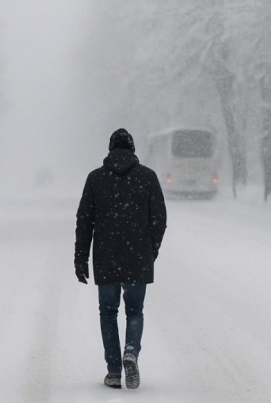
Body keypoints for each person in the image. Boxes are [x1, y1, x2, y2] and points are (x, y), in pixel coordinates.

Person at [74, 128, 167, 390]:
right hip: (138, 255)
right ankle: (131, 351)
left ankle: (114, 371)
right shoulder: (148, 178)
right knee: (135, 310)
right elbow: (159, 218)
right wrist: (152, 249)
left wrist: (81, 259)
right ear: (133, 149)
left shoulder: (95, 179)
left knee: (108, 312)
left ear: (110, 149)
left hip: (106, 256)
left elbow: (84, 222)